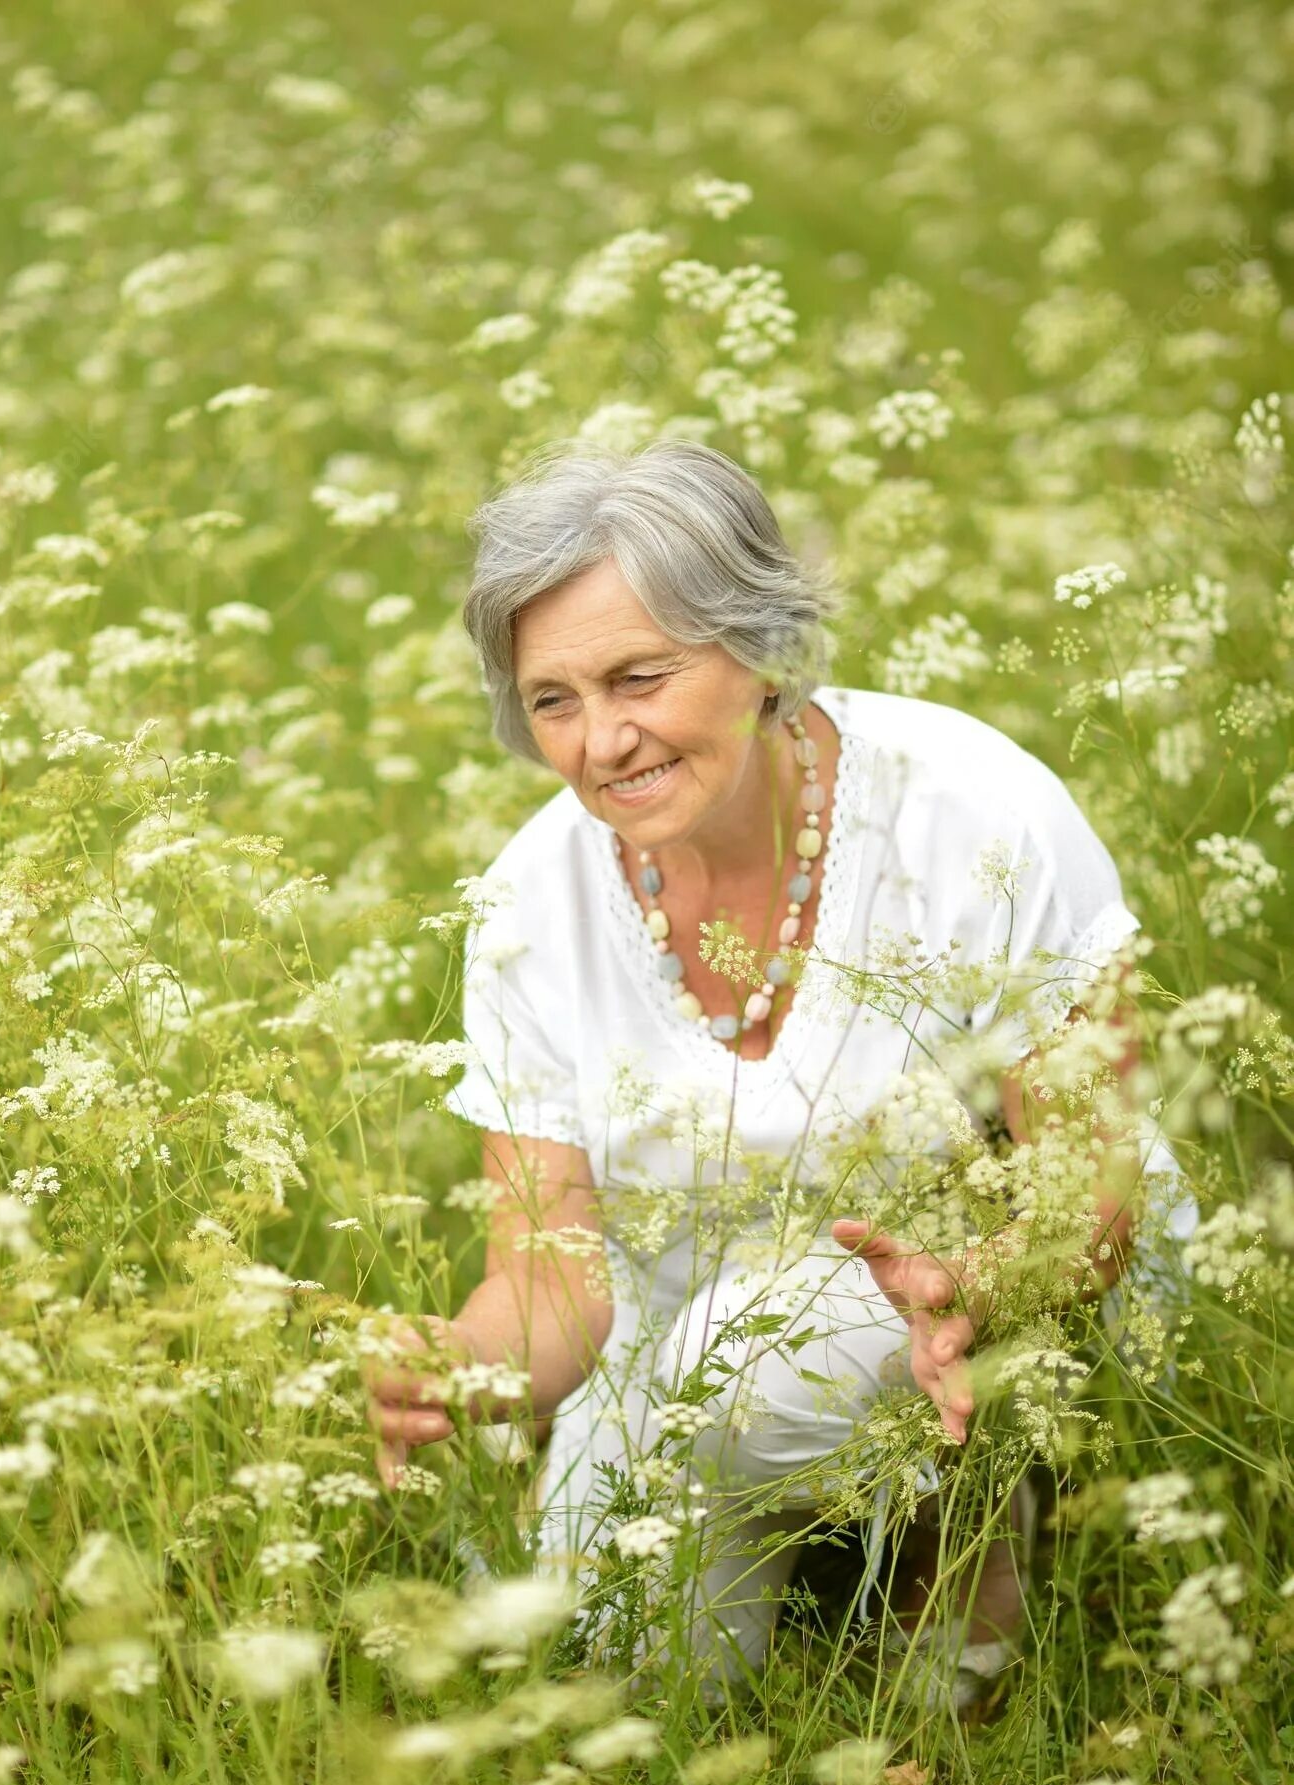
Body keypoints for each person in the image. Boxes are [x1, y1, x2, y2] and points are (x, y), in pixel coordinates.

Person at [363, 438, 1196, 1702]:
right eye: (553, 699)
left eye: (641, 675)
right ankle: (799, 1525)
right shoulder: (528, 902)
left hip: (986, 1292)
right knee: (617, 1688)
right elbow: (549, 1273)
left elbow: (1089, 1184)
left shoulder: (973, 810)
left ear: (754, 642)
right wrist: (458, 1365)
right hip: (680, 1345)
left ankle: (961, 1523)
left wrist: (982, 1280)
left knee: (760, 1376)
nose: (602, 739)